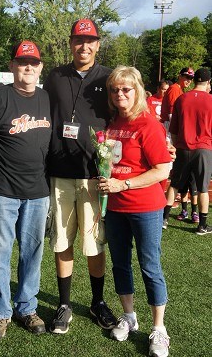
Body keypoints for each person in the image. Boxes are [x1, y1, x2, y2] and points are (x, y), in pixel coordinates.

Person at [0, 40, 52, 340]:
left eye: (33, 62)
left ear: (40, 67)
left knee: (32, 252)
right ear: (12, 66)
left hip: (38, 190)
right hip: (0, 190)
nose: (27, 66)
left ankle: (27, 307)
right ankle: (2, 312)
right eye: (21, 61)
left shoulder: (47, 99)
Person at [43, 18, 117, 334]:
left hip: (94, 176)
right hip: (59, 173)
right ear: (71, 43)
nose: (83, 46)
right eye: (78, 40)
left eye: (89, 41)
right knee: (62, 240)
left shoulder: (109, 78)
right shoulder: (55, 76)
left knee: (94, 243)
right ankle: (64, 304)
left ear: (98, 44)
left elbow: (125, 118)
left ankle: (97, 302)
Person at [98, 66, 171, 357]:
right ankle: (129, 316)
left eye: (126, 89)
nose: (120, 94)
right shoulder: (113, 121)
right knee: (120, 264)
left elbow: (162, 169)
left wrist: (123, 183)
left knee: (150, 267)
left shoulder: (148, 124)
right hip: (115, 207)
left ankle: (159, 329)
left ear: (137, 89)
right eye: (115, 90)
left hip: (145, 207)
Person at [163, 68, 212, 235]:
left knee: (175, 183)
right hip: (203, 148)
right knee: (203, 188)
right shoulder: (210, 100)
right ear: (208, 82)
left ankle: (164, 219)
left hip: (183, 147)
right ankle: (202, 225)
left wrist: (178, 145)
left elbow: (174, 130)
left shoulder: (182, 98)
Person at [160, 67, 194, 138]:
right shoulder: (174, 89)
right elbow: (171, 112)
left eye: (191, 78)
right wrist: (177, 129)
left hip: (172, 124)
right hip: (169, 124)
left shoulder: (180, 90)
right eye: (187, 77)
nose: (189, 81)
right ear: (180, 76)